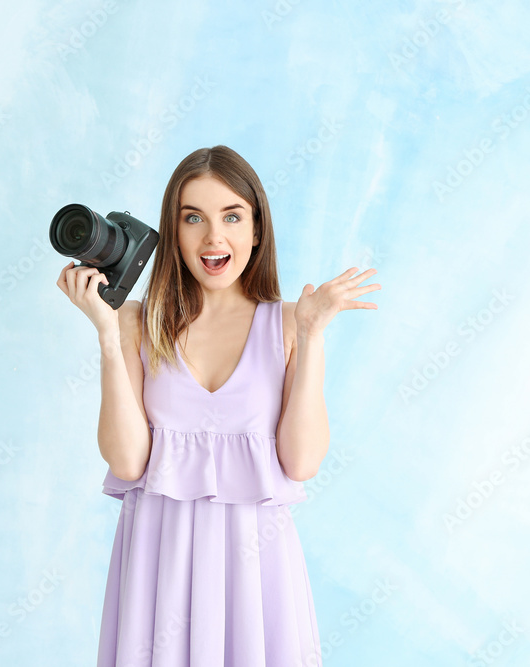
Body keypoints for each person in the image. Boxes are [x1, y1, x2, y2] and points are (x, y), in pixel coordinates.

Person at [57, 145, 379, 666]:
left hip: (256, 572)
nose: (213, 237)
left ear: (256, 229)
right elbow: (126, 462)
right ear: (173, 231)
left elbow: (301, 463)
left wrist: (313, 335)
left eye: (232, 216)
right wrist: (107, 335)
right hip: (157, 564)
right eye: (193, 218)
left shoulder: (290, 322)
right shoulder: (138, 322)